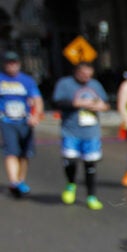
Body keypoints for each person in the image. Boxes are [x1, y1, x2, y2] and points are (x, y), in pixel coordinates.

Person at [52, 62, 110, 210]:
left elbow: (106, 104)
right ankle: (71, 184)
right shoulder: (65, 84)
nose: (86, 78)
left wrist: (100, 106)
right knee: (70, 160)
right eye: (83, 74)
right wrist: (76, 103)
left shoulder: (95, 85)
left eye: (89, 75)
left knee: (90, 164)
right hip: (71, 130)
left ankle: (91, 196)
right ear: (76, 72)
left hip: (91, 131)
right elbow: (56, 102)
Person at [0, 50, 43, 198]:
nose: (11, 66)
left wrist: (36, 115)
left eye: (14, 63)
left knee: (24, 154)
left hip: (24, 121)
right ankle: (14, 181)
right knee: (11, 151)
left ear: (18, 64)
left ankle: (20, 179)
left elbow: (37, 99)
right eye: (8, 63)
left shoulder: (27, 80)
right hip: (7, 121)